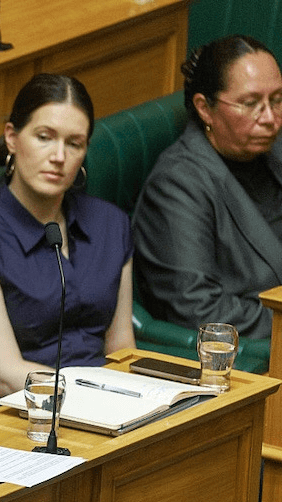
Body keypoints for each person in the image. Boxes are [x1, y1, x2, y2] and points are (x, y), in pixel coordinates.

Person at [0, 74, 136, 409]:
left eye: (74, 143)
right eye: (44, 137)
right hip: (17, 415)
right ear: (12, 138)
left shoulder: (110, 224)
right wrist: (101, 400)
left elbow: (121, 346)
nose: (59, 156)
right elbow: (5, 375)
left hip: (108, 407)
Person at [133, 35, 282, 340]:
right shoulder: (177, 185)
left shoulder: (276, 147)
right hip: (257, 355)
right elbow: (199, 309)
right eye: (251, 104)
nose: (270, 118)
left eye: (277, 100)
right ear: (204, 108)